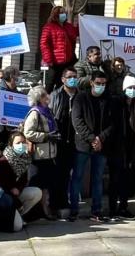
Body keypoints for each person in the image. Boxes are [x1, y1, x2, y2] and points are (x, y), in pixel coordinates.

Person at [69, 71, 114, 222]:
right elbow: (77, 120)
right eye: (98, 83)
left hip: (101, 146)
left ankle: (96, 210)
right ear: (91, 83)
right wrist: (91, 139)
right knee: (77, 177)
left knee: (97, 179)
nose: (101, 86)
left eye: (103, 83)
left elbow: (112, 123)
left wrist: (100, 139)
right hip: (82, 145)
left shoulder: (108, 99)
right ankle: (74, 210)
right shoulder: (81, 97)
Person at [108, 74, 135, 219]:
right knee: (114, 179)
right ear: (124, 89)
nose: (132, 90)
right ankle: (112, 208)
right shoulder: (116, 103)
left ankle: (123, 206)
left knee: (126, 179)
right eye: (130, 88)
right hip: (117, 147)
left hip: (132, 147)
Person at [22, 86, 59, 219]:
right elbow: (28, 132)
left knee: (46, 184)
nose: (47, 96)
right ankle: (36, 212)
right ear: (39, 98)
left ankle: (44, 210)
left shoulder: (47, 111)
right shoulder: (35, 112)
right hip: (39, 156)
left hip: (49, 154)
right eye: (44, 95)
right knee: (38, 184)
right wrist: (46, 136)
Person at [49, 67, 79, 218]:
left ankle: (65, 201)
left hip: (74, 141)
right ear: (63, 79)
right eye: (69, 77)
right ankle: (55, 203)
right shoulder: (56, 95)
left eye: (75, 76)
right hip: (58, 140)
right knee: (56, 173)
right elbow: (50, 115)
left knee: (68, 173)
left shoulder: (80, 96)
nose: (73, 79)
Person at [0, 132, 43, 231]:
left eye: (23, 142)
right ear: (11, 144)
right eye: (18, 143)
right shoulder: (3, 161)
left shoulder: (25, 159)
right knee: (17, 227)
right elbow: (2, 184)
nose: (21, 145)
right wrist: (13, 191)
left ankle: (20, 214)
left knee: (36, 192)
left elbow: (24, 180)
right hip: (7, 196)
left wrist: (18, 188)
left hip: (17, 193)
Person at [40, 5, 79, 93]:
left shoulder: (68, 26)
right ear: (55, 15)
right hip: (54, 63)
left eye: (64, 12)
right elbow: (44, 43)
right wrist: (48, 59)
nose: (63, 14)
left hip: (68, 62)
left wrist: (81, 20)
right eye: (61, 13)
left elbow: (77, 32)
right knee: (49, 84)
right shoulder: (49, 27)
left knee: (64, 85)